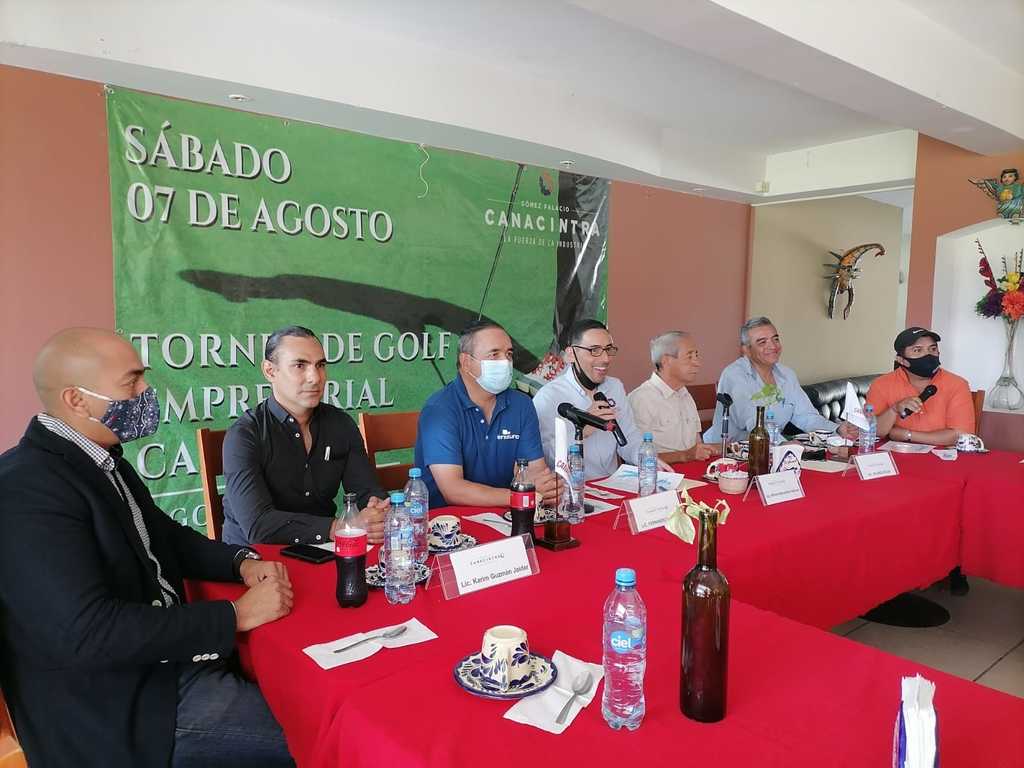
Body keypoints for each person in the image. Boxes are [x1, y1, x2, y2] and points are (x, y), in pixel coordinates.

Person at [0, 328, 295, 768]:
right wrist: (235, 614)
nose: (146, 392)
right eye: (132, 382)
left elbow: (163, 535)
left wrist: (240, 561)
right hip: (122, 709)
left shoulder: (99, 458)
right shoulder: (26, 489)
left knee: (305, 683)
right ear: (76, 400)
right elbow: (88, 632)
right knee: (313, 734)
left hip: (168, 663)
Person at [222, 326, 388, 547]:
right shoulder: (244, 435)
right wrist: (337, 527)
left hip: (324, 551)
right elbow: (258, 526)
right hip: (256, 563)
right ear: (270, 371)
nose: (315, 377)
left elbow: (366, 490)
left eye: (320, 365)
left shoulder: (341, 425)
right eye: (300, 365)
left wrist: (375, 511)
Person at [415, 320, 560, 508]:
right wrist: (521, 495)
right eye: (494, 355)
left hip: (507, 514)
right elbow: (454, 491)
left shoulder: (521, 404)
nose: (506, 362)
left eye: (509, 354)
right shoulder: (440, 410)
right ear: (466, 362)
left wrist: (546, 488)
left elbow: (536, 473)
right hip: (447, 524)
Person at [533, 319, 664, 479]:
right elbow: (548, 457)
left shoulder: (614, 387)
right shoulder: (548, 397)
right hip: (571, 490)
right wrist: (584, 428)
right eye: (594, 350)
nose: (605, 359)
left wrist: (645, 459)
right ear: (571, 354)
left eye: (608, 350)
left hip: (612, 484)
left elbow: (628, 437)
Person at [704, 316, 856, 443]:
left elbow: (806, 416)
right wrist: (783, 443)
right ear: (746, 350)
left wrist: (836, 429)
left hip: (772, 449)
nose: (773, 346)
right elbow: (752, 422)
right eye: (762, 342)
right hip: (727, 453)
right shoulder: (734, 375)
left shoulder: (786, 375)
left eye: (775, 339)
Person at [865, 327, 975, 446]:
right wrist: (894, 409)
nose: (928, 355)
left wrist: (907, 435)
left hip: (943, 458)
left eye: (932, 349)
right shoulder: (881, 384)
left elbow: (962, 435)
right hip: (896, 457)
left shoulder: (957, 384)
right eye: (917, 350)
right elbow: (871, 430)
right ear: (901, 360)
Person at [629, 331, 719, 463]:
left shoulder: (685, 395)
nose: (697, 363)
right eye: (689, 357)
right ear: (666, 361)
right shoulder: (642, 399)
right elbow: (636, 457)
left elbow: (696, 446)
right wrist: (686, 455)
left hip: (691, 474)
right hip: (660, 478)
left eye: (697, 355)